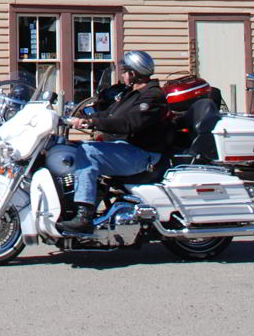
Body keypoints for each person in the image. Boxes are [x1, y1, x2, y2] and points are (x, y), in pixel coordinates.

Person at [56, 50, 174, 234]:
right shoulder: (131, 93)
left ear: (133, 74)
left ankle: (84, 215)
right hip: (126, 149)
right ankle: (79, 202)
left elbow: (129, 123)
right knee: (71, 149)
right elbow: (111, 114)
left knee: (88, 153)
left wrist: (92, 122)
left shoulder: (152, 96)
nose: (123, 75)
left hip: (143, 155)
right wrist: (78, 118)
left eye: (125, 71)